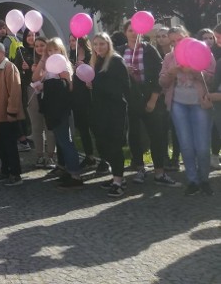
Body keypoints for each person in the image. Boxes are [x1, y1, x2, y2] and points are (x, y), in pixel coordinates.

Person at [160, 28, 217, 195]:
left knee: (202, 146)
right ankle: (192, 180)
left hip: (200, 103)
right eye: (173, 42)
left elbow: (212, 80)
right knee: (186, 144)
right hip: (179, 104)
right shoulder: (169, 57)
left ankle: (204, 179)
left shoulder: (203, 51)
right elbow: (162, 82)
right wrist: (171, 74)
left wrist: (194, 71)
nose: (177, 44)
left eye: (179, 39)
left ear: (187, 37)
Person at [119, 20, 173, 185]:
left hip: (150, 98)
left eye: (136, 31)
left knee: (156, 135)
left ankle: (159, 172)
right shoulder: (120, 51)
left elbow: (159, 74)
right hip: (131, 99)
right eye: (130, 31)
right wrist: (124, 71)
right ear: (125, 33)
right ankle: (140, 169)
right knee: (134, 136)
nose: (134, 34)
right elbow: (114, 76)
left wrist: (153, 98)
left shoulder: (149, 50)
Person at [36, 38, 83, 189]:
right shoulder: (49, 67)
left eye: (55, 49)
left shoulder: (64, 66)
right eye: (49, 50)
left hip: (60, 109)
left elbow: (69, 89)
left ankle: (75, 175)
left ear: (61, 50)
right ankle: (68, 172)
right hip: (51, 108)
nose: (52, 53)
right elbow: (37, 78)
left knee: (65, 141)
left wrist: (68, 79)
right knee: (60, 140)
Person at [88, 33, 130, 198]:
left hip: (115, 111)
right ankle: (116, 177)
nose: (99, 47)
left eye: (102, 44)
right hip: (99, 111)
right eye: (96, 44)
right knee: (103, 145)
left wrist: (95, 83)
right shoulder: (96, 61)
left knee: (114, 146)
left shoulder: (116, 61)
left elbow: (120, 88)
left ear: (109, 44)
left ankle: (119, 181)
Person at [0, 42, 24, 186]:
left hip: (7, 115)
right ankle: (5, 170)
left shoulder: (9, 67)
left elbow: (15, 91)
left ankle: (15, 173)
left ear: (3, 53)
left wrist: (12, 111)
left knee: (9, 144)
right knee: (0, 143)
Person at [68, 35, 96, 168]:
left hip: (90, 95)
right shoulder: (71, 56)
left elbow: (96, 73)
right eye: (70, 41)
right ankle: (89, 156)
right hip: (76, 96)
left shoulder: (91, 55)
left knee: (95, 127)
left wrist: (85, 67)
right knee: (83, 128)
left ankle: (104, 159)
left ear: (81, 41)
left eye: (73, 40)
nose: (71, 43)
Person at [28, 35, 56, 169]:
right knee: (36, 127)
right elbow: (34, 78)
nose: (39, 48)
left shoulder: (54, 59)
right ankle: (39, 155)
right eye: (37, 46)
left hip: (50, 96)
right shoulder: (32, 60)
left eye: (42, 45)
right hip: (34, 95)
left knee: (49, 126)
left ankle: (50, 156)